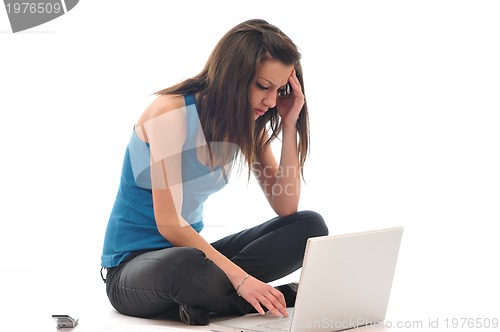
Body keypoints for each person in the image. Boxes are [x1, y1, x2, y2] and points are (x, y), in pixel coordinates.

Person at [100, 18, 328, 326]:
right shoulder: (170, 113)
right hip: (132, 270)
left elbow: (286, 206)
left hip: (192, 260)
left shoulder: (248, 125)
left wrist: (289, 124)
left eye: (280, 90)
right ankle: (271, 296)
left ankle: (209, 298)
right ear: (234, 75)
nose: (272, 101)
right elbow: (170, 225)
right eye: (263, 86)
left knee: (309, 227)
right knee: (189, 264)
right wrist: (242, 278)